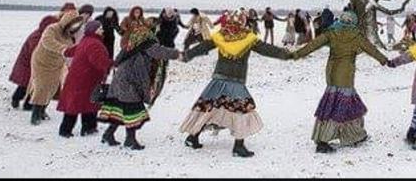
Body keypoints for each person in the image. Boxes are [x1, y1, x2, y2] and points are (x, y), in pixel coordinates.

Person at [178, 9, 292, 156]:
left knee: (210, 108)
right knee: (241, 111)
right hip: (235, 81)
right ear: (243, 21)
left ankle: (192, 137)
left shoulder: (221, 36)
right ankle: (238, 147)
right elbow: (267, 49)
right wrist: (286, 54)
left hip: (219, 79)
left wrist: (188, 54)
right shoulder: (248, 38)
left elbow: (203, 46)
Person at [290, 12, 388, 153]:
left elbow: (313, 44)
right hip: (345, 76)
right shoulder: (356, 36)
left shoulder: (332, 32)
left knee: (349, 105)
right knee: (338, 108)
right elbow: (372, 50)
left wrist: (297, 54)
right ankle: (323, 141)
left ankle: (356, 135)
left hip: (332, 73)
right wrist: (385, 60)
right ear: (353, 22)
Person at [97, 24, 180, 150]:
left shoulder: (129, 45)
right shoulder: (147, 45)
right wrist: (180, 54)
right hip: (130, 83)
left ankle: (108, 134)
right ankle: (130, 140)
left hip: (120, 81)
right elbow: (161, 52)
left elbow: (117, 61)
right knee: (133, 111)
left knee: (120, 109)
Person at [57, 20, 113, 137]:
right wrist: (113, 64)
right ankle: (77, 130)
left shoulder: (86, 41)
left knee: (80, 105)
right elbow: (99, 62)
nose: (102, 30)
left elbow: (69, 52)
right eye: (100, 28)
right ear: (93, 30)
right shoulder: (94, 44)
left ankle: (82, 128)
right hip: (86, 80)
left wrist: (65, 51)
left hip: (79, 78)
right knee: (85, 104)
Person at [27, 10, 85, 125]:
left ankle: (43, 110)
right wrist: (63, 49)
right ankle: (35, 114)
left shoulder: (69, 36)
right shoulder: (52, 29)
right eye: (72, 24)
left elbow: (70, 52)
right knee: (42, 86)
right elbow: (47, 42)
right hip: (42, 62)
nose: (74, 28)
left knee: (52, 88)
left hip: (56, 65)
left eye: (76, 26)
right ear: (66, 22)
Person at [9, 12, 61, 110]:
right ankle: (17, 100)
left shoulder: (42, 35)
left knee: (31, 86)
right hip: (28, 66)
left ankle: (26, 103)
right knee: (26, 85)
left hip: (31, 66)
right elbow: (35, 51)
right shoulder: (37, 37)